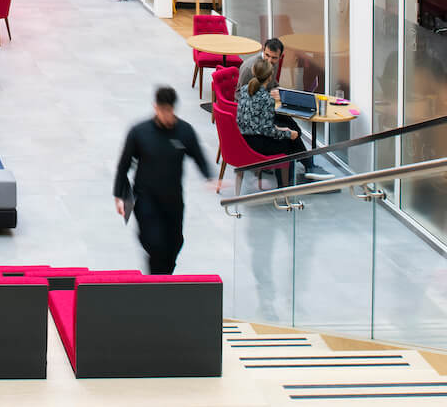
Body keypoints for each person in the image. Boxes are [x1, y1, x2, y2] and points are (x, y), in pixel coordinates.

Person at [113, 86, 219, 275]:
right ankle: (156, 283)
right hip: (146, 198)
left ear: (173, 108)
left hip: (173, 199)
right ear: (156, 108)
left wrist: (209, 177)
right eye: (162, 110)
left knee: (175, 243)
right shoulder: (139, 132)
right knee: (155, 243)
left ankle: (163, 279)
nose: (166, 115)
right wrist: (119, 195)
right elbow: (123, 165)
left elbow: (198, 156)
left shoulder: (184, 131)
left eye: (169, 110)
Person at [235, 58, 312, 185]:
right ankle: (287, 184)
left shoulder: (244, 89)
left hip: (244, 139)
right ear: (270, 77)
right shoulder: (266, 99)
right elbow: (268, 130)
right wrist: (287, 133)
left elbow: (260, 124)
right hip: (257, 143)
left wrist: (283, 130)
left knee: (289, 128)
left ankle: (305, 169)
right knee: (290, 142)